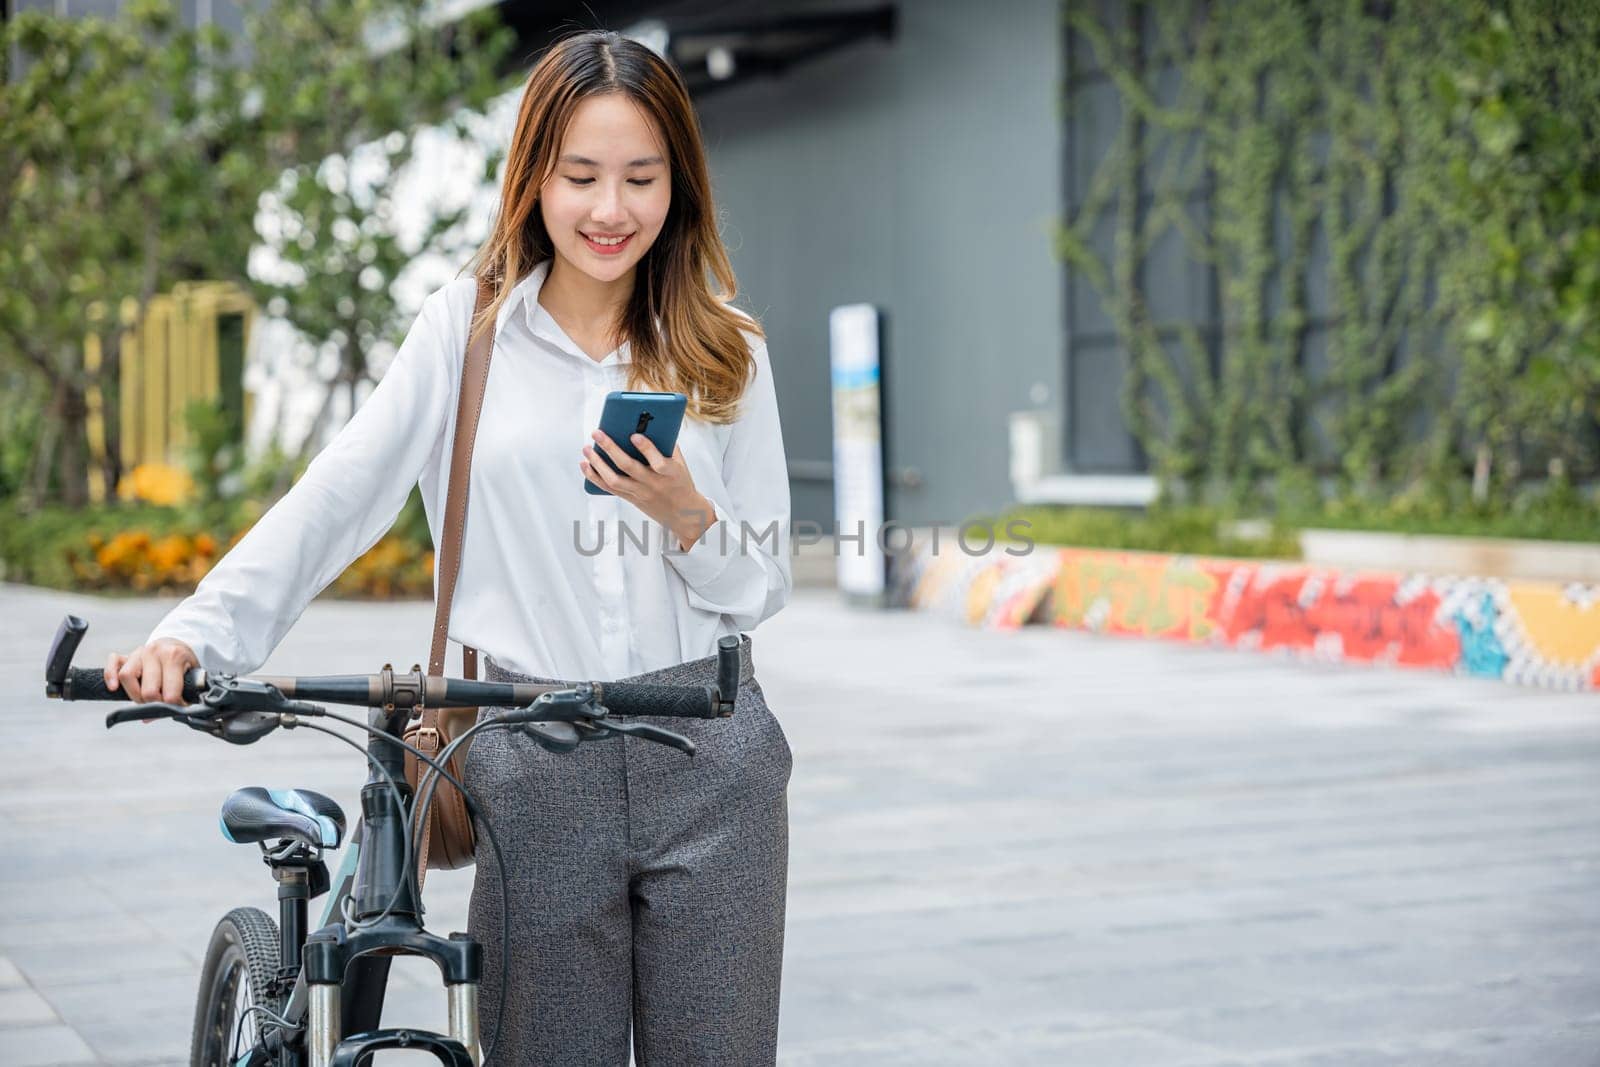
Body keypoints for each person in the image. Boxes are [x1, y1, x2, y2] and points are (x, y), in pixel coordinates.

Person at [104, 29, 794, 1065]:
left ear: (678, 186)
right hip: (530, 752)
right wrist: (198, 634)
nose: (611, 210)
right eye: (582, 176)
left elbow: (764, 578)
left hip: (708, 744)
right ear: (534, 178)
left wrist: (684, 508)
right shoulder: (466, 333)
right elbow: (338, 497)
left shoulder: (724, 345)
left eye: (641, 178)